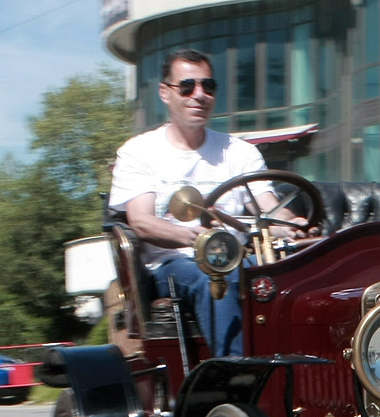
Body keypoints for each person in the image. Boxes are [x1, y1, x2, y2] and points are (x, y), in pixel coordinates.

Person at [109, 48, 306, 356]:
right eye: (187, 86)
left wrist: (291, 225)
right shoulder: (139, 151)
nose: (198, 95)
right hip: (174, 263)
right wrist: (195, 237)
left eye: (208, 87)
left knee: (298, 275)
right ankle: (239, 374)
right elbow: (141, 221)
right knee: (218, 273)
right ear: (165, 92)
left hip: (240, 259)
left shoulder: (239, 152)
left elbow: (267, 206)